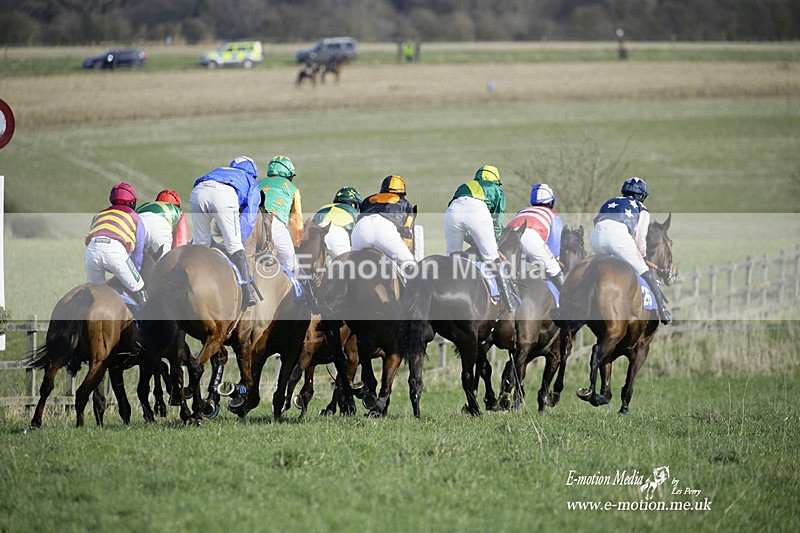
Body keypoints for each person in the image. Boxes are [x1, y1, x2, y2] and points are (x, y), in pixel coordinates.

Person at [591, 177, 671, 324]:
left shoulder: (608, 202)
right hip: (619, 239)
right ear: (642, 196)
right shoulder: (642, 208)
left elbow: (596, 221)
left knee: (600, 271)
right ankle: (662, 310)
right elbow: (640, 237)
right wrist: (641, 256)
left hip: (596, 237)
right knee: (646, 273)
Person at [190, 156, 261, 309]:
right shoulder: (251, 181)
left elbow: (198, 182)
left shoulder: (221, 170)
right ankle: (248, 290)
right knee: (234, 245)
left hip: (198, 192)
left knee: (200, 244)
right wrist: (236, 241)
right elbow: (248, 218)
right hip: (224, 195)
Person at [443, 164, 517, 311]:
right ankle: (511, 300)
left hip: (452, 212)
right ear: (496, 181)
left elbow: (455, 211)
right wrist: (493, 243)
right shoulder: (497, 191)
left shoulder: (465, 185)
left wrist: (474, 239)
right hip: (476, 212)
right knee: (491, 257)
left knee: (452, 258)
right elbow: (496, 221)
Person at [84, 182, 148, 306]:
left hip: (92, 252)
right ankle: (148, 323)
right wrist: (136, 272)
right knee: (139, 288)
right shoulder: (135, 217)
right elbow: (138, 252)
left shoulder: (99, 215)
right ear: (133, 202)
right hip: (115, 251)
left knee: (96, 294)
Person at [351, 175, 415, 273]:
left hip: (362, 227)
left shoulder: (368, 200)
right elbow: (407, 232)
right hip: (385, 229)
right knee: (410, 265)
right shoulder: (406, 205)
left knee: (349, 267)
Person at [507, 183, 565, 290]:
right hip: (530, 237)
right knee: (554, 268)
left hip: (508, 237)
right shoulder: (553, 216)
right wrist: (555, 259)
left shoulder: (522, 211)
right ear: (551, 202)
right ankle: (567, 301)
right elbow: (554, 245)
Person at [260, 155, 303, 272]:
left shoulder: (258, 183)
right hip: (275, 225)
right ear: (289, 175)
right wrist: (297, 242)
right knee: (292, 266)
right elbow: (296, 219)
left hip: (251, 223)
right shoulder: (293, 188)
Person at [312, 186, 362, 260]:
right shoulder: (353, 212)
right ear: (353, 204)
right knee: (347, 267)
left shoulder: (324, 207)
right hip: (337, 234)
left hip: (316, 235)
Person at [136, 189, 188, 260]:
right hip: (158, 231)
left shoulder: (146, 205)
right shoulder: (177, 211)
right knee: (165, 264)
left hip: (137, 224)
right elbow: (180, 245)